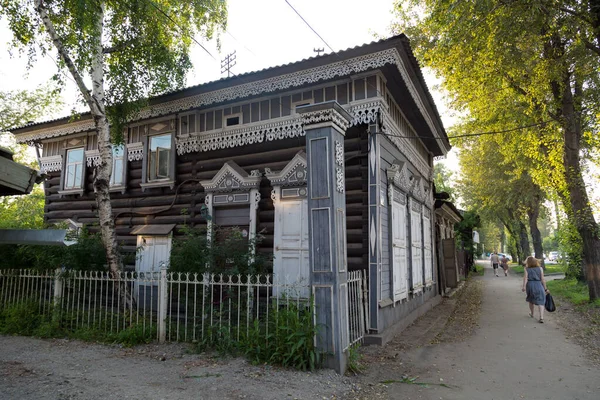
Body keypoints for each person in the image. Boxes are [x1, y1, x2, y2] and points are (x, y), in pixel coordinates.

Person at [521, 256, 549, 323]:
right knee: (541, 301)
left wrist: (524, 287)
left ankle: (532, 313)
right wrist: (545, 288)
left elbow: (526, 278)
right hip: (539, 284)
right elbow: (542, 279)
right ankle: (541, 317)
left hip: (530, 285)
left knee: (531, 300)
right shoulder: (540, 268)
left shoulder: (526, 269)